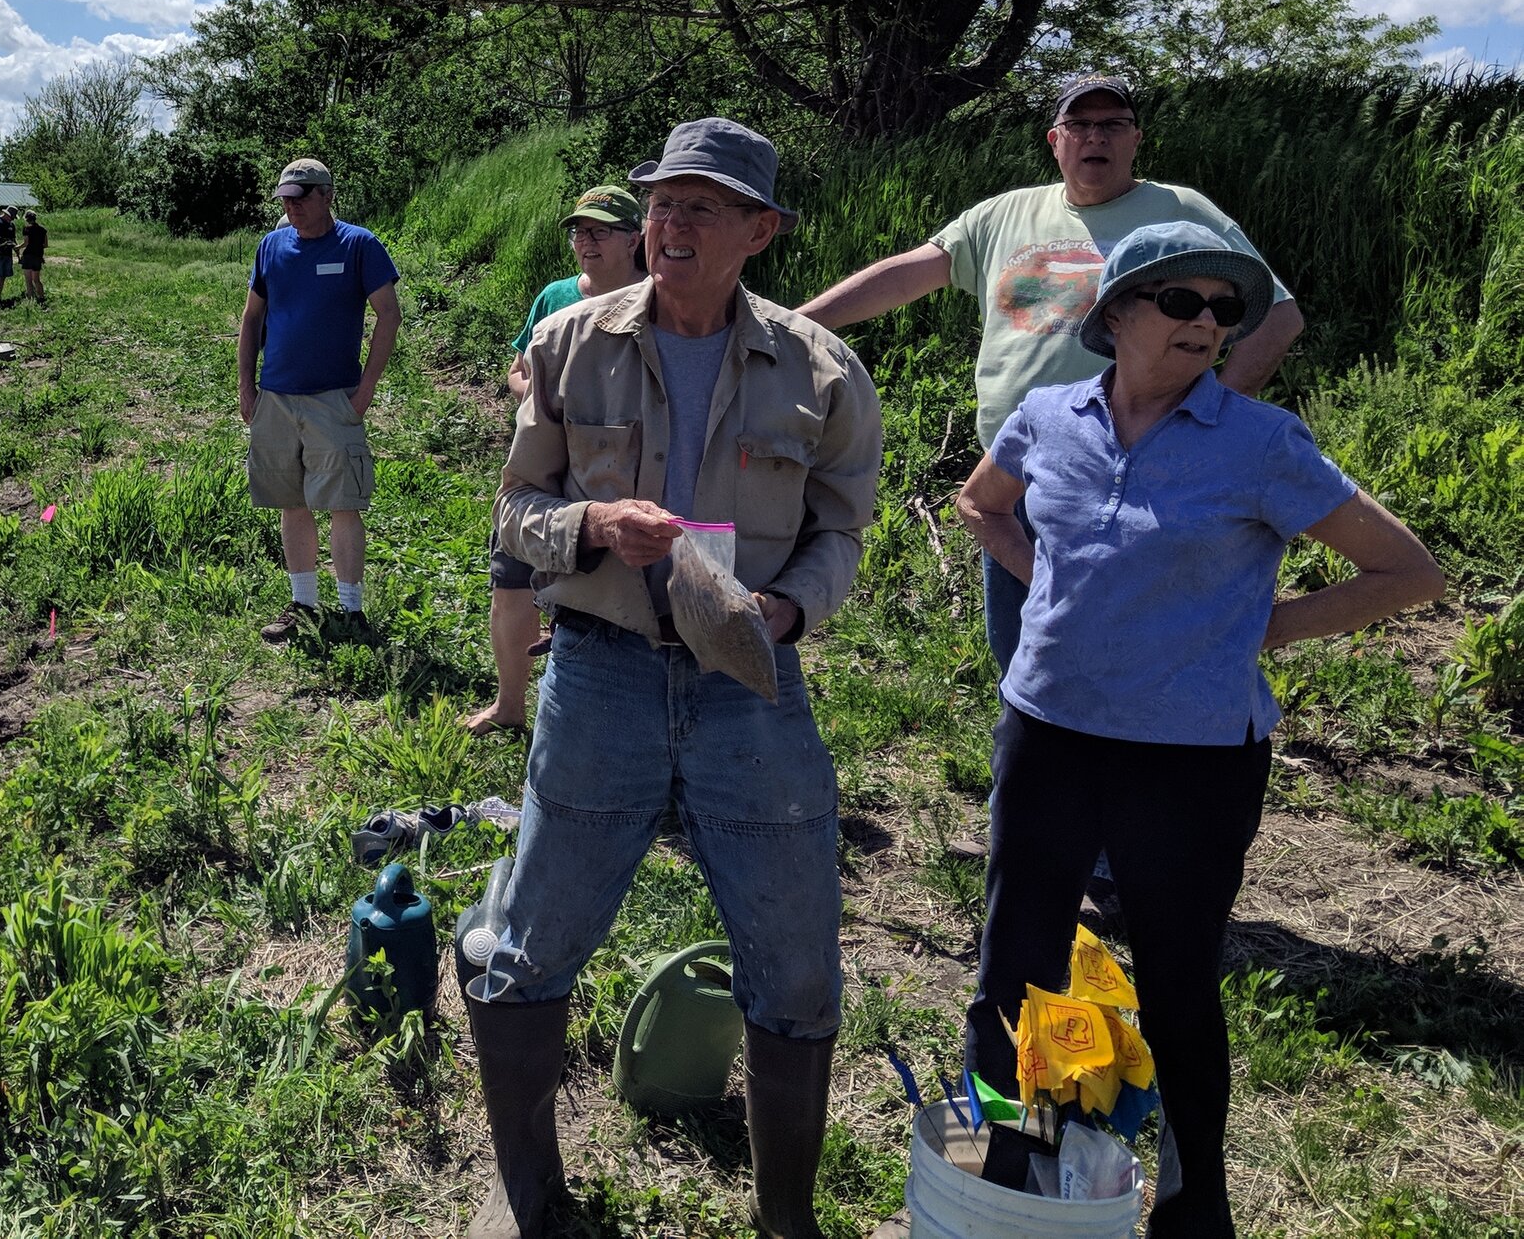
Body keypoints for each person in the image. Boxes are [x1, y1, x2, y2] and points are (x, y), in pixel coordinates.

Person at [953, 223, 1440, 1236]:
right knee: (1017, 962)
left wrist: (1259, 628)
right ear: (1118, 315)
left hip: (1191, 763)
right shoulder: (1046, 418)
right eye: (1183, 302)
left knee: (1175, 978)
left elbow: (1407, 572)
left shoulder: (1260, 443)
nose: (1208, 324)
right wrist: (1048, 587)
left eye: (1226, 310)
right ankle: (1010, 1171)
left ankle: (1191, 1207)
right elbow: (981, 504)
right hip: (1048, 734)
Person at [480, 119, 883, 1239]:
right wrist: (592, 523)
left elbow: (843, 528)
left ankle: (784, 1221)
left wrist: (791, 608)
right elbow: (515, 512)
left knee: (797, 964)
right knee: (530, 947)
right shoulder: (568, 343)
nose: (671, 223)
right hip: (599, 677)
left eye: (704, 206)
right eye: (662, 202)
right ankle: (534, 1206)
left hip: (748, 688)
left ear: (760, 230)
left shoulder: (819, 367)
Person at [798, 73, 1305, 675]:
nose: (1096, 136)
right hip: (1013, 477)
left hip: (1132, 473)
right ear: (1055, 139)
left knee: (1130, 653)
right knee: (1023, 652)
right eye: (1080, 125)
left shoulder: (1179, 211)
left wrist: (1209, 415)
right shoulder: (1004, 214)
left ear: (1135, 138)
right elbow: (907, 274)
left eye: (1112, 124)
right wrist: (795, 323)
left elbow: (1278, 315)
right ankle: (1033, 753)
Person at [464, 182, 646, 736]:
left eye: (601, 230)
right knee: (511, 580)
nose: (586, 241)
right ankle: (510, 705)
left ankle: (607, 720)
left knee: (615, 594)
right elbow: (518, 369)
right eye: (579, 231)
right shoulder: (555, 297)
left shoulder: (660, 299)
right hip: (542, 467)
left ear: (635, 239)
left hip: (616, 474)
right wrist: (544, 404)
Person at [236, 157, 403, 644]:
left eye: (303, 196)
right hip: (277, 398)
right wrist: (248, 387)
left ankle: (352, 610)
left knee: (343, 504)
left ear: (328, 194)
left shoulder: (358, 245)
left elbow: (388, 315)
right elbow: (251, 320)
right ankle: (303, 604)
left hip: (334, 399)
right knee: (292, 502)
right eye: (287, 198)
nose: (293, 206)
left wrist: (364, 391)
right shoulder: (271, 246)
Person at [19, 207, 49, 306]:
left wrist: (18, 247)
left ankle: (30, 298)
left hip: (28, 256)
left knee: (28, 279)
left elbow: (26, 243)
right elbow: (45, 245)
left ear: (26, 219)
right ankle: (41, 297)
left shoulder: (26, 229)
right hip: (38, 255)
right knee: (36, 279)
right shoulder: (43, 230)